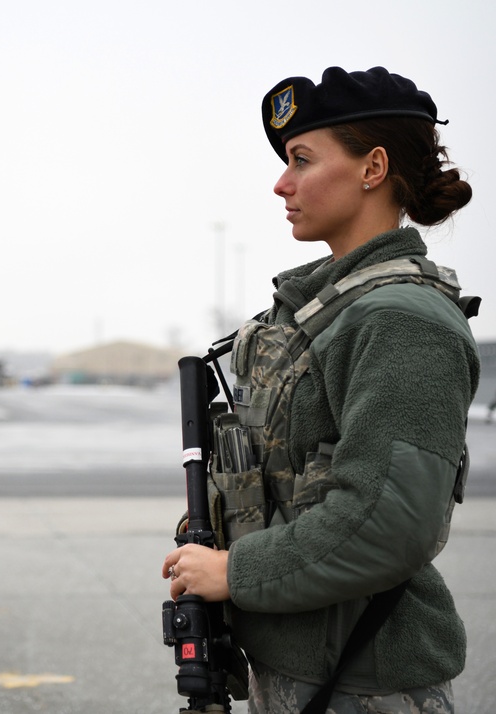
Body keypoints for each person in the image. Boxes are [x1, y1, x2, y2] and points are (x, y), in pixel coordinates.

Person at [163, 67, 479, 713]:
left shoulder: (399, 319)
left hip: (364, 679)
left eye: (302, 160)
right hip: (294, 659)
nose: (282, 183)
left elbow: (388, 522)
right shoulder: (315, 313)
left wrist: (234, 573)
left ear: (373, 168)